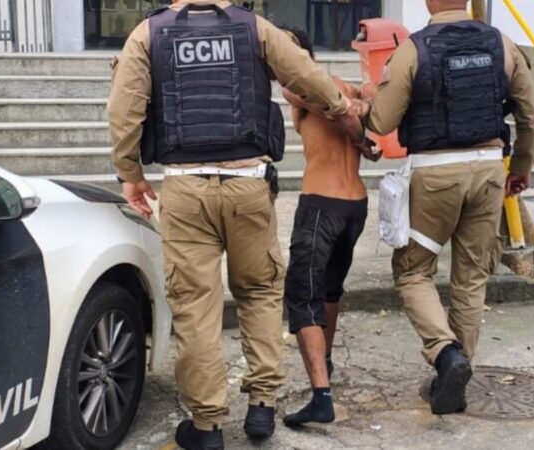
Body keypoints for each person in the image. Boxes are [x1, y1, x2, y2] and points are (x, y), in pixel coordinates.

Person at [108, 1, 364, 448]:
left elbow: (124, 108)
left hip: (185, 189)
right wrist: (343, 109)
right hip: (248, 185)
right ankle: (262, 406)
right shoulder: (256, 28)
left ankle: (206, 427)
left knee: (196, 307)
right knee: (260, 292)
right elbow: (306, 75)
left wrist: (130, 174)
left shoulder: (149, 34)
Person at [353, 0, 534, 415]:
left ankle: (445, 354)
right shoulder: (503, 44)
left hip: (435, 174)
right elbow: (530, 115)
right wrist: (521, 167)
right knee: (472, 274)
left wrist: (365, 100)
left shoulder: (413, 49)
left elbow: (382, 122)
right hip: (490, 170)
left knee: (413, 269)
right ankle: (456, 372)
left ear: (427, 3)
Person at [277, 28, 380, 427]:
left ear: (303, 54)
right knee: (330, 290)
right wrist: (362, 118)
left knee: (303, 295)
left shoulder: (299, 88)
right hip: (355, 206)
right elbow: (361, 102)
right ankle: (328, 360)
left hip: (321, 205)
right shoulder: (341, 86)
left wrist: (358, 120)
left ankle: (321, 396)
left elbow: (338, 106)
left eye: (285, 49)